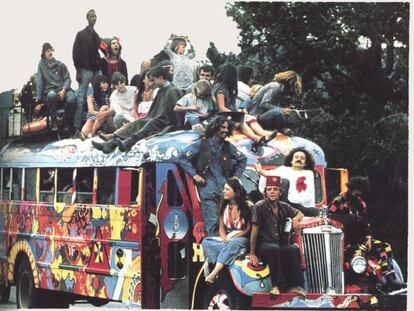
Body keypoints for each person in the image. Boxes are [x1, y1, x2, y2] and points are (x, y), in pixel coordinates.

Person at [328, 176, 405, 292]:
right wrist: (348, 220)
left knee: (385, 247)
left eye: (361, 193)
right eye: (356, 192)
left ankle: (389, 276)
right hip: (345, 240)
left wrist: (368, 237)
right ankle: (368, 285)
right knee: (359, 253)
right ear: (351, 189)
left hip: (361, 239)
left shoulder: (362, 204)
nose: (358, 195)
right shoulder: (339, 200)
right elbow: (329, 216)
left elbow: (366, 223)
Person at [176, 115, 247, 236]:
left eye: (227, 128)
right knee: (213, 223)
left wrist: (236, 177)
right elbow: (182, 158)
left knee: (228, 222)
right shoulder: (201, 144)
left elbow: (243, 159)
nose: (225, 130)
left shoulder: (228, 146)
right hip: (208, 189)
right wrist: (194, 175)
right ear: (215, 127)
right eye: (222, 127)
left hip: (225, 190)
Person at [92, 66, 181, 153]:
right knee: (138, 123)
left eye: (153, 80)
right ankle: (110, 143)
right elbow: (154, 112)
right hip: (156, 120)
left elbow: (175, 115)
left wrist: (177, 127)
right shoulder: (162, 91)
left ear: (161, 77)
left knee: (150, 124)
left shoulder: (173, 91)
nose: (152, 83)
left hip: (164, 123)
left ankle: (126, 143)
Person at [249, 175, 306, 296]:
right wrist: (252, 253)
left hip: (278, 244)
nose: (272, 192)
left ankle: (295, 286)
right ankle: (276, 285)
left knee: (292, 249)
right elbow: (254, 231)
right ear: (265, 192)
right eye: (269, 189)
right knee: (273, 249)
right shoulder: (259, 206)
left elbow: (300, 213)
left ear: (280, 192)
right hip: (263, 245)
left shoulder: (283, 206)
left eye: (275, 189)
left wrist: (295, 220)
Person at [212, 63, 278, 145]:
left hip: (229, 113)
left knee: (249, 117)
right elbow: (222, 108)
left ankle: (263, 133)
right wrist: (235, 114)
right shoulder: (220, 90)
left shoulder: (229, 88)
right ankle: (256, 138)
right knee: (240, 119)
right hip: (221, 114)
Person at [202, 179, 251, 283]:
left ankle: (215, 272)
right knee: (206, 241)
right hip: (228, 238)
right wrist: (224, 237)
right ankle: (232, 254)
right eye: (224, 189)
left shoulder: (248, 206)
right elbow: (221, 227)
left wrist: (234, 237)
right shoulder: (224, 206)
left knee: (233, 243)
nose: (224, 191)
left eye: (227, 189)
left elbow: (248, 229)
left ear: (236, 192)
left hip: (242, 238)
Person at [256, 147, 319, 216]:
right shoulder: (283, 170)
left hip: (301, 206)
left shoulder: (308, 173)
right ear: (291, 160)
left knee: (315, 211)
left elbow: (306, 196)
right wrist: (260, 171)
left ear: (305, 163)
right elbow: (270, 175)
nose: (299, 159)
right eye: (296, 157)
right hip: (285, 204)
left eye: (302, 158)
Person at [72, 9, 102, 137]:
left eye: (95, 16)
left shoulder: (96, 36)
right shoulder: (80, 34)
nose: (93, 18)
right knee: (80, 98)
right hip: (84, 70)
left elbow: (101, 50)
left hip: (95, 70)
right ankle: (77, 128)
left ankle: (99, 125)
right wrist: (78, 70)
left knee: (99, 95)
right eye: (91, 16)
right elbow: (75, 53)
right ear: (87, 18)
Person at [35, 42, 76, 131]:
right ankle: (54, 120)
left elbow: (68, 79)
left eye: (51, 50)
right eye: (47, 51)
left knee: (72, 99)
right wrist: (39, 99)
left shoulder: (60, 65)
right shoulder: (41, 65)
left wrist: (64, 90)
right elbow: (40, 81)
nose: (50, 53)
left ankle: (67, 121)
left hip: (63, 89)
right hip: (51, 90)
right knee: (51, 95)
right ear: (44, 54)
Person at [77, 75, 113, 140]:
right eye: (103, 83)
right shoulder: (91, 95)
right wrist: (98, 114)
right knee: (90, 120)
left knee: (104, 108)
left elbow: (112, 109)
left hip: (107, 116)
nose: (106, 85)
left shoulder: (110, 94)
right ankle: (83, 134)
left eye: (107, 83)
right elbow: (90, 110)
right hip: (95, 116)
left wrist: (101, 113)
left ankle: (92, 132)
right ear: (98, 84)